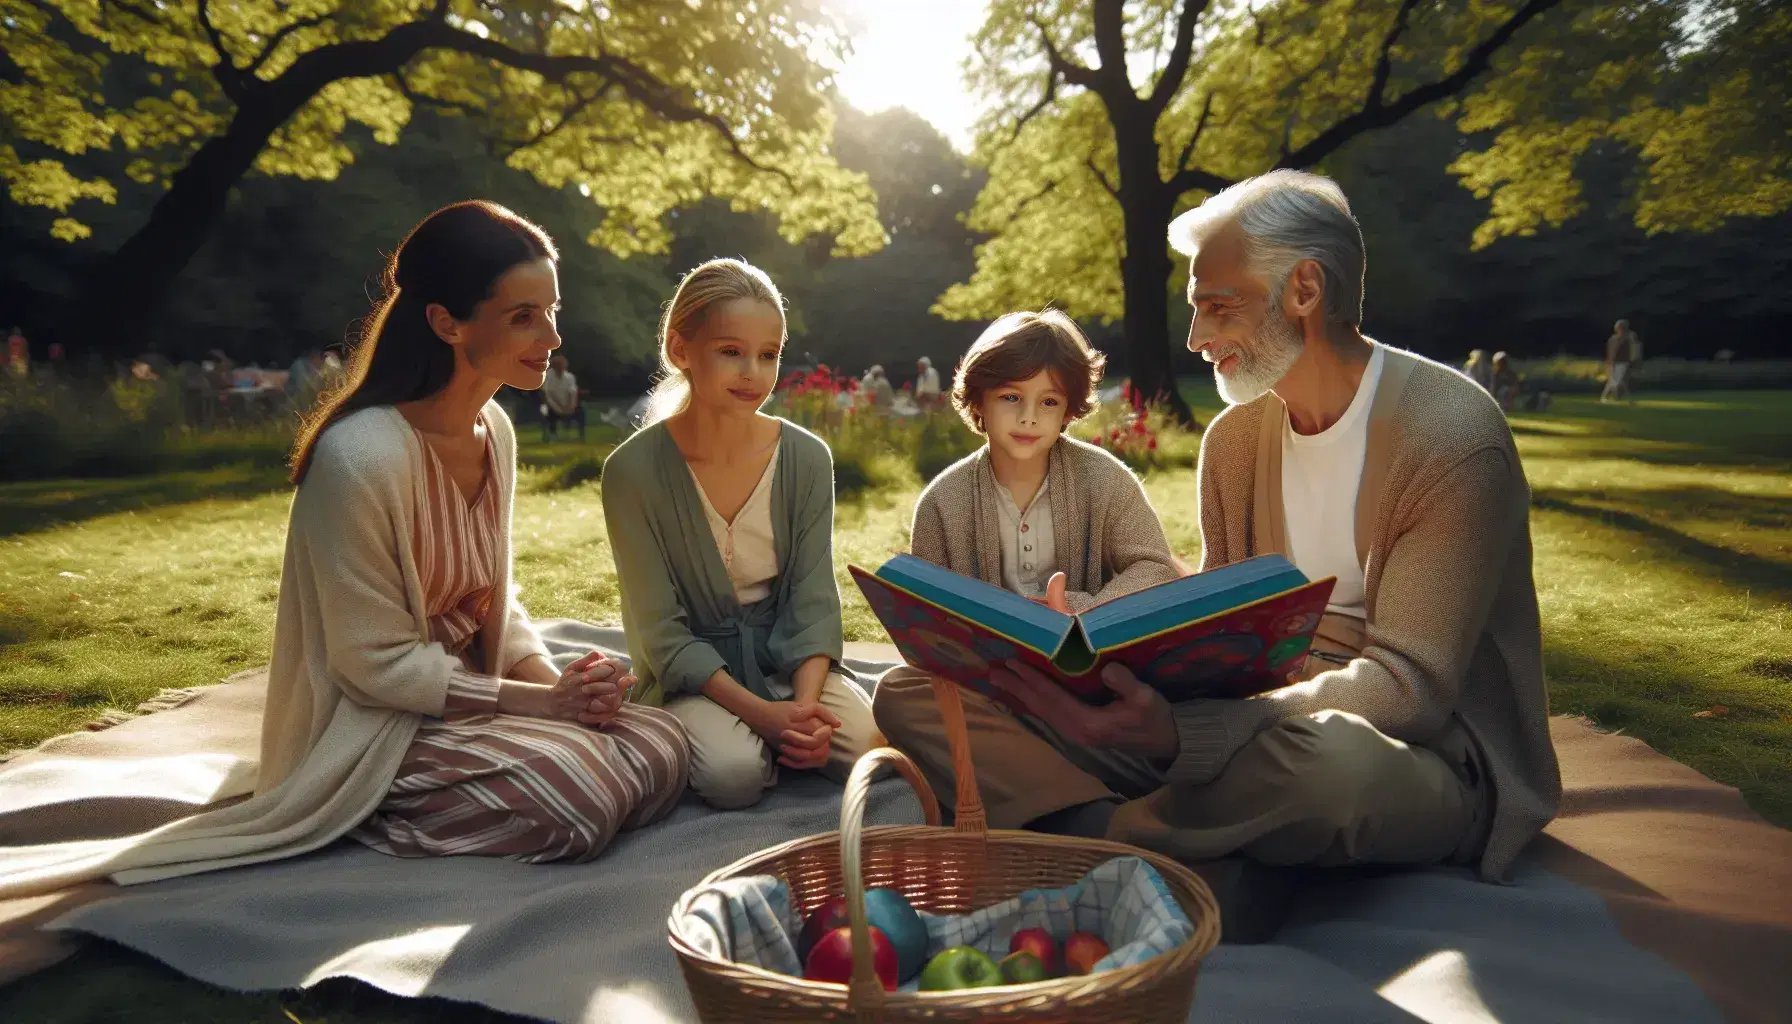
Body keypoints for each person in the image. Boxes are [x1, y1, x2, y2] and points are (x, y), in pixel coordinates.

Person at [877, 169, 1558, 884]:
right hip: (1231, 727)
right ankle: (1187, 844)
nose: (1197, 337)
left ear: (1304, 291)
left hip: (1408, 749)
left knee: (1330, 771)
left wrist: (1189, 735)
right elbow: (1222, 627)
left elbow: (1411, 690)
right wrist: (1118, 685)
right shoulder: (1233, 442)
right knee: (911, 694)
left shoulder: (1452, 438)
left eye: (1218, 307)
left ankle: (1104, 842)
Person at [0, 202, 692, 899]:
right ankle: (364, 815)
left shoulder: (496, 432)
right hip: (379, 728)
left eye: (551, 309)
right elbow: (374, 668)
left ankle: (539, 768)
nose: (551, 335)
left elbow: (494, 600)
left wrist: (558, 687)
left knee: (663, 744)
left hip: (479, 700)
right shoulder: (359, 456)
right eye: (522, 316)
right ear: (447, 324)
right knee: (585, 789)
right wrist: (541, 710)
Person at [602, 258, 877, 810]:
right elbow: (661, 632)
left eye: (769, 355)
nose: (753, 372)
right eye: (731, 351)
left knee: (868, 748)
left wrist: (800, 710)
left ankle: (788, 742)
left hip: (788, 662)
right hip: (696, 677)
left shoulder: (805, 458)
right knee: (734, 778)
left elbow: (813, 597)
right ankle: (750, 744)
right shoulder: (630, 473)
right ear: (682, 351)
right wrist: (764, 719)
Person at [539, 354, 585, 441]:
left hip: (567, 406)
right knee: (546, 411)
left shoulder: (570, 377)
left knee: (581, 411)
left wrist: (571, 407)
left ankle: (581, 435)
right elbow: (548, 396)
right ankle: (553, 434)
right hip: (553, 407)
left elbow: (573, 394)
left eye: (562, 366)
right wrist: (558, 408)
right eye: (559, 366)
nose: (561, 368)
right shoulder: (548, 377)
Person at [1603, 320, 1639, 402]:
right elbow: (1610, 352)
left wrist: (1633, 363)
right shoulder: (1613, 339)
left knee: (1617, 382)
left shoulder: (1629, 338)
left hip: (1623, 363)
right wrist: (1608, 362)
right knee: (1613, 381)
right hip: (1614, 363)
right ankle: (1607, 397)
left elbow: (1633, 350)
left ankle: (1610, 397)